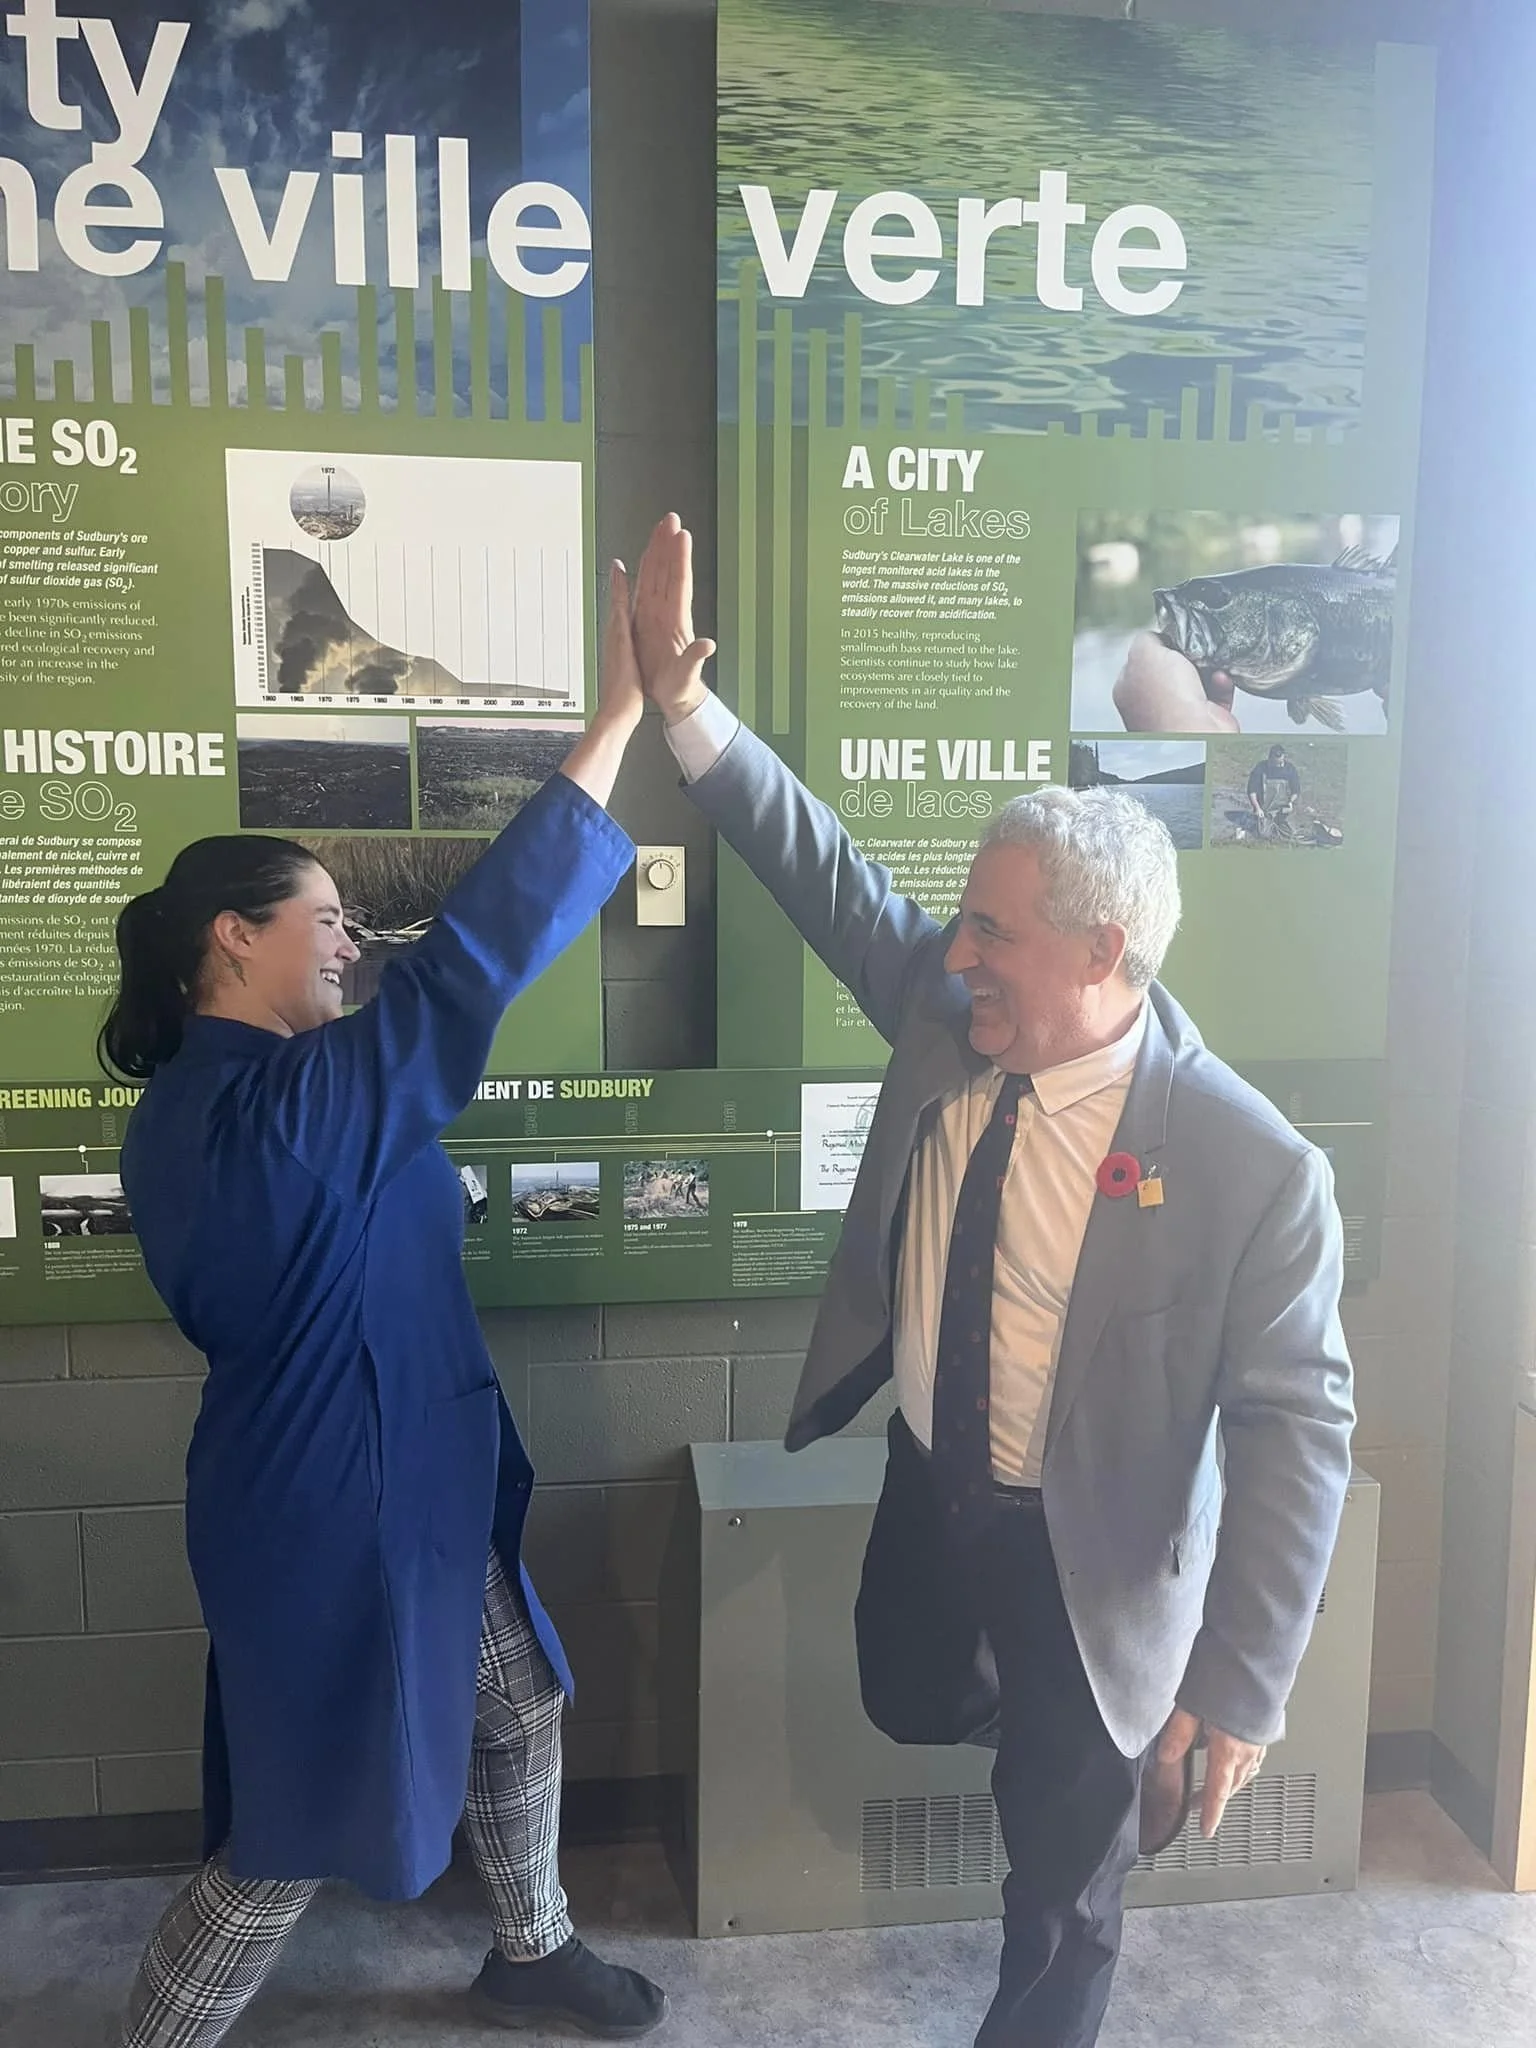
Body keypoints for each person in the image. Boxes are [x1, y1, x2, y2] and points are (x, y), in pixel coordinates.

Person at [631, 515, 1354, 2048]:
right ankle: (1034, 1719)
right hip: (931, 1476)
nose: (953, 953)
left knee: (1063, 1892)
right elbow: (821, 868)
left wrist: (1236, 1685)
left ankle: (1061, 1857)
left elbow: (1302, 1432)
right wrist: (684, 709)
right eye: (963, 919)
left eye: (991, 930)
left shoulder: (1251, 1165)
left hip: (1098, 1555)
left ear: (1105, 956)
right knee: (903, 1688)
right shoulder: (951, 1016)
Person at [100, 565, 668, 2047]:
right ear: (234, 935)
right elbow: (470, 964)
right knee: (286, 1840)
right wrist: (619, 718)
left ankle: (533, 1945)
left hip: (401, 1483)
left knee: (518, 1703)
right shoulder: (280, 1106)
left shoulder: (214, 1103)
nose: (353, 942)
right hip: (337, 1507)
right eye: (327, 919)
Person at [1247, 743, 1301, 829]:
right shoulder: (1261, 768)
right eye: (1277, 763)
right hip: (1264, 810)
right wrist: (1257, 808)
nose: (1280, 765)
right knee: (1264, 833)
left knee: (1290, 832)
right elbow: (1252, 790)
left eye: (1281, 763)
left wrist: (1290, 802)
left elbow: (1296, 791)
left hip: (1283, 809)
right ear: (1270, 759)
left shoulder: (1290, 769)